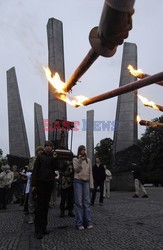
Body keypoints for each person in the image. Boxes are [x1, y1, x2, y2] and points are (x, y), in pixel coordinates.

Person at [31, 141, 59, 239]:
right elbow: (35, 170)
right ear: (44, 147)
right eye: (46, 146)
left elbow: (56, 168)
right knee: (39, 207)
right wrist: (33, 184)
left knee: (46, 206)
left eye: (50, 146)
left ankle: (44, 228)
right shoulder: (40, 157)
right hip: (41, 183)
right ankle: (38, 230)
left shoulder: (53, 156)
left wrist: (55, 158)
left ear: (52, 147)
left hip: (49, 183)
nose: (48, 148)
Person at [73, 145, 94, 230]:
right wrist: (80, 161)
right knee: (79, 203)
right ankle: (79, 223)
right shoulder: (75, 159)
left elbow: (90, 172)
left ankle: (88, 222)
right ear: (79, 151)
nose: (83, 151)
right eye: (81, 149)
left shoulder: (88, 160)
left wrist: (92, 184)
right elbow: (77, 170)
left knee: (87, 202)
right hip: (77, 180)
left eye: (84, 149)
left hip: (86, 181)